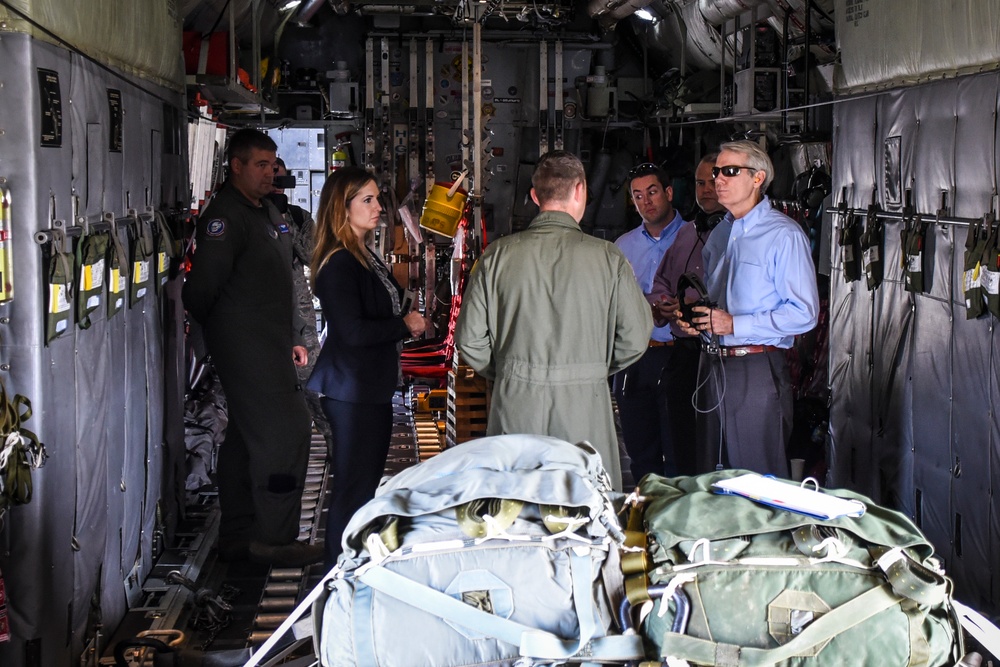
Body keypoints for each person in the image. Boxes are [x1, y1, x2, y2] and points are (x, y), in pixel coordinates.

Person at [455, 150, 652, 490]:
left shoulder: (497, 256)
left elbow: (470, 340)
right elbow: (635, 336)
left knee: (516, 511)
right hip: (584, 407)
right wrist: (590, 367)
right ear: (581, 191)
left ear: (534, 197)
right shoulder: (608, 258)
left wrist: (509, 370)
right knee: (588, 511)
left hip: (516, 402)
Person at [183, 129, 322, 567]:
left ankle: (240, 534)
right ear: (236, 166)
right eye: (260, 165)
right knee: (288, 434)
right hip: (248, 348)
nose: (270, 172)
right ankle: (275, 539)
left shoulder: (266, 212)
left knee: (246, 439)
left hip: (269, 343)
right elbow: (200, 292)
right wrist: (232, 335)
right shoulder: (226, 217)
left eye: (273, 164)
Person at [306, 166, 428, 566]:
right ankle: (334, 575)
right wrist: (404, 326)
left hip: (367, 389)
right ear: (343, 208)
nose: (378, 208)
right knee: (352, 488)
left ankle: (348, 566)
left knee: (361, 485)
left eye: (377, 198)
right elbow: (352, 331)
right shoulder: (339, 263)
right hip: (350, 392)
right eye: (368, 200)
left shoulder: (362, 255)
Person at [679, 140, 820, 477]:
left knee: (757, 476)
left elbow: (805, 313)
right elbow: (717, 301)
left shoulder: (783, 235)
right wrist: (697, 319)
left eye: (730, 171)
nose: (718, 180)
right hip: (712, 363)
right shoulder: (721, 234)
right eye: (716, 173)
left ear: (758, 178)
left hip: (755, 366)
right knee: (711, 473)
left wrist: (734, 325)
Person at [612, 163, 688, 482]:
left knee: (680, 447)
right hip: (636, 356)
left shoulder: (695, 237)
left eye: (653, 192)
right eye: (638, 195)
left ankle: (679, 521)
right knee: (640, 449)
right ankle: (645, 520)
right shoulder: (622, 247)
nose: (646, 201)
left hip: (680, 354)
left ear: (669, 193)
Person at [268, 158, 334, 453]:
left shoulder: (297, 216)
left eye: (280, 179)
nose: (276, 185)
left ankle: (337, 444)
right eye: (271, 178)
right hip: (261, 313)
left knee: (314, 387)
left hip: (300, 315)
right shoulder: (244, 215)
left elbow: (313, 256)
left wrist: (283, 221)